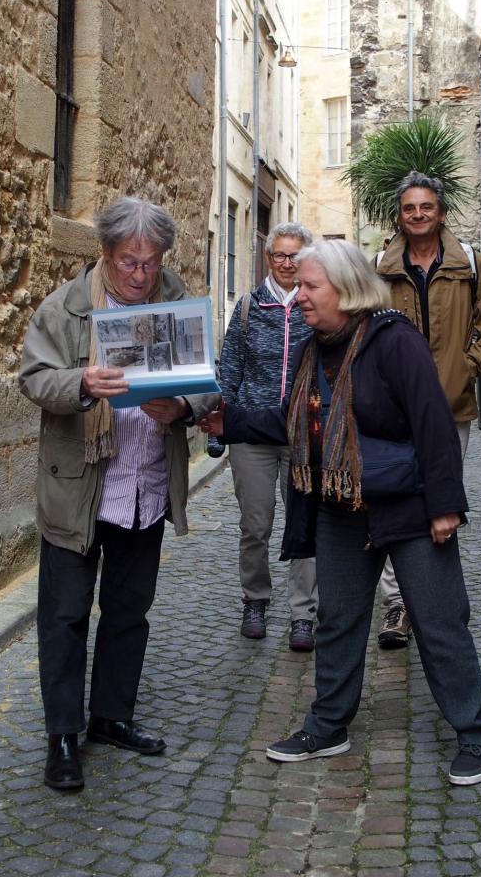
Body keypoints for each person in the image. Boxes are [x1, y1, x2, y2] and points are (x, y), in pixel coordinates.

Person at [201, 239, 481, 786]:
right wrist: (232, 423)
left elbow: (434, 424)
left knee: (438, 622)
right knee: (337, 619)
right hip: (341, 507)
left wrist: (445, 507)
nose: (299, 297)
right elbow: (299, 426)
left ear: (345, 289)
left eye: (310, 287)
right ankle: (329, 724)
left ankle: (475, 732)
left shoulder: (395, 343)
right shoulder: (314, 348)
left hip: (409, 509)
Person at [19, 196, 218, 792]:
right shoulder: (66, 307)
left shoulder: (174, 296)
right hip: (79, 488)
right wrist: (81, 382)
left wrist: (182, 406)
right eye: (130, 262)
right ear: (105, 254)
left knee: (129, 611)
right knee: (65, 614)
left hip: (145, 486)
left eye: (150, 263)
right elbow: (32, 378)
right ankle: (62, 736)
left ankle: (110, 716)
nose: (140, 274)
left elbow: (208, 380)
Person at [374, 171, 481, 651]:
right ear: (400, 215)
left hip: (451, 409)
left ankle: (434, 601)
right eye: (409, 208)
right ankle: (398, 605)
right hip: (394, 412)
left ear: (441, 212)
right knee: (395, 499)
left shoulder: (470, 264)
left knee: (440, 500)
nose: (417, 215)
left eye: (425, 207)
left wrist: (462, 370)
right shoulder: (381, 268)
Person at [214, 222, 318, 650]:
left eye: (294, 255)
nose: (287, 262)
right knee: (254, 525)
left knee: (304, 524)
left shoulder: (318, 304)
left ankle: (303, 613)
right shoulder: (248, 308)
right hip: (252, 435)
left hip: (303, 436)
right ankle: (255, 600)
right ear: (268, 257)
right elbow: (230, 369)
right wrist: (222, 427)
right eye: (279, 255)